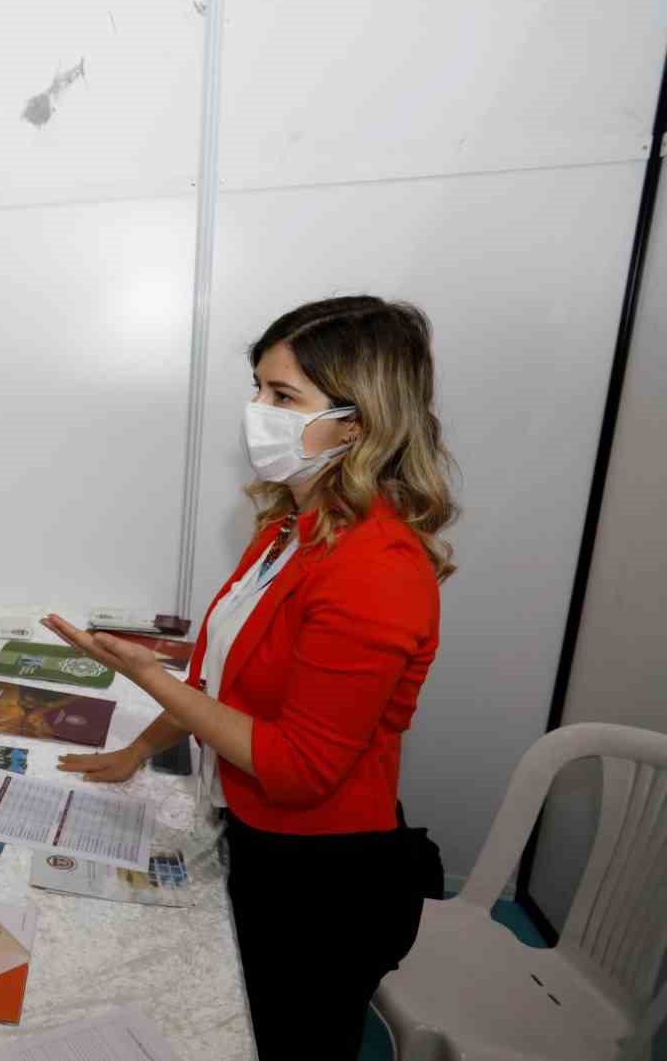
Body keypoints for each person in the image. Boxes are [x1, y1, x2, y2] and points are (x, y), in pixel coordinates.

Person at [44, 297, 455, 1060]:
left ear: (356, 423)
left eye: (283, 396)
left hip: (322, 881)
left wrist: (150, 678)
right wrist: (139, 749)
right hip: (254, 835)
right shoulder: (289, 528)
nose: (256, 412)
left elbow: (298, 768)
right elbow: (220, 683)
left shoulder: (376, 568)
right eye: (258, 388)